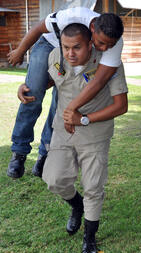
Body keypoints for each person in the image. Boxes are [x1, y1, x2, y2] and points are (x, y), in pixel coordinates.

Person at [40, 23, 128, 253]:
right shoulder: (56, 55)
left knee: (93, 186)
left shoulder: (109, 64)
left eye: (77, 47)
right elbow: (54, 80)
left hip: (94, 133)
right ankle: (76, 205)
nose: (70, 54)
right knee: (54, 178)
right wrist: (29, 87)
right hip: (63, 129)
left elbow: (121, 106)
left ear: (90, 44)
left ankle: (89, 239)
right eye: (66, 47)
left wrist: (85, 119)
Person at [7, 7, 124, 179]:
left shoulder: (114, 43)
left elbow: (98, 81)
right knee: (31, 96)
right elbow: (39, 28)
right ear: (93, 30)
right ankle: (19, 152)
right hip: (49, 44)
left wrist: (71, 107)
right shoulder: (71, 17)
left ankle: (44, 154)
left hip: (78, 52)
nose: (105, 48)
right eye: (101, 43)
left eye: (110, 45)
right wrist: (20, 51)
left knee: (60, 102)